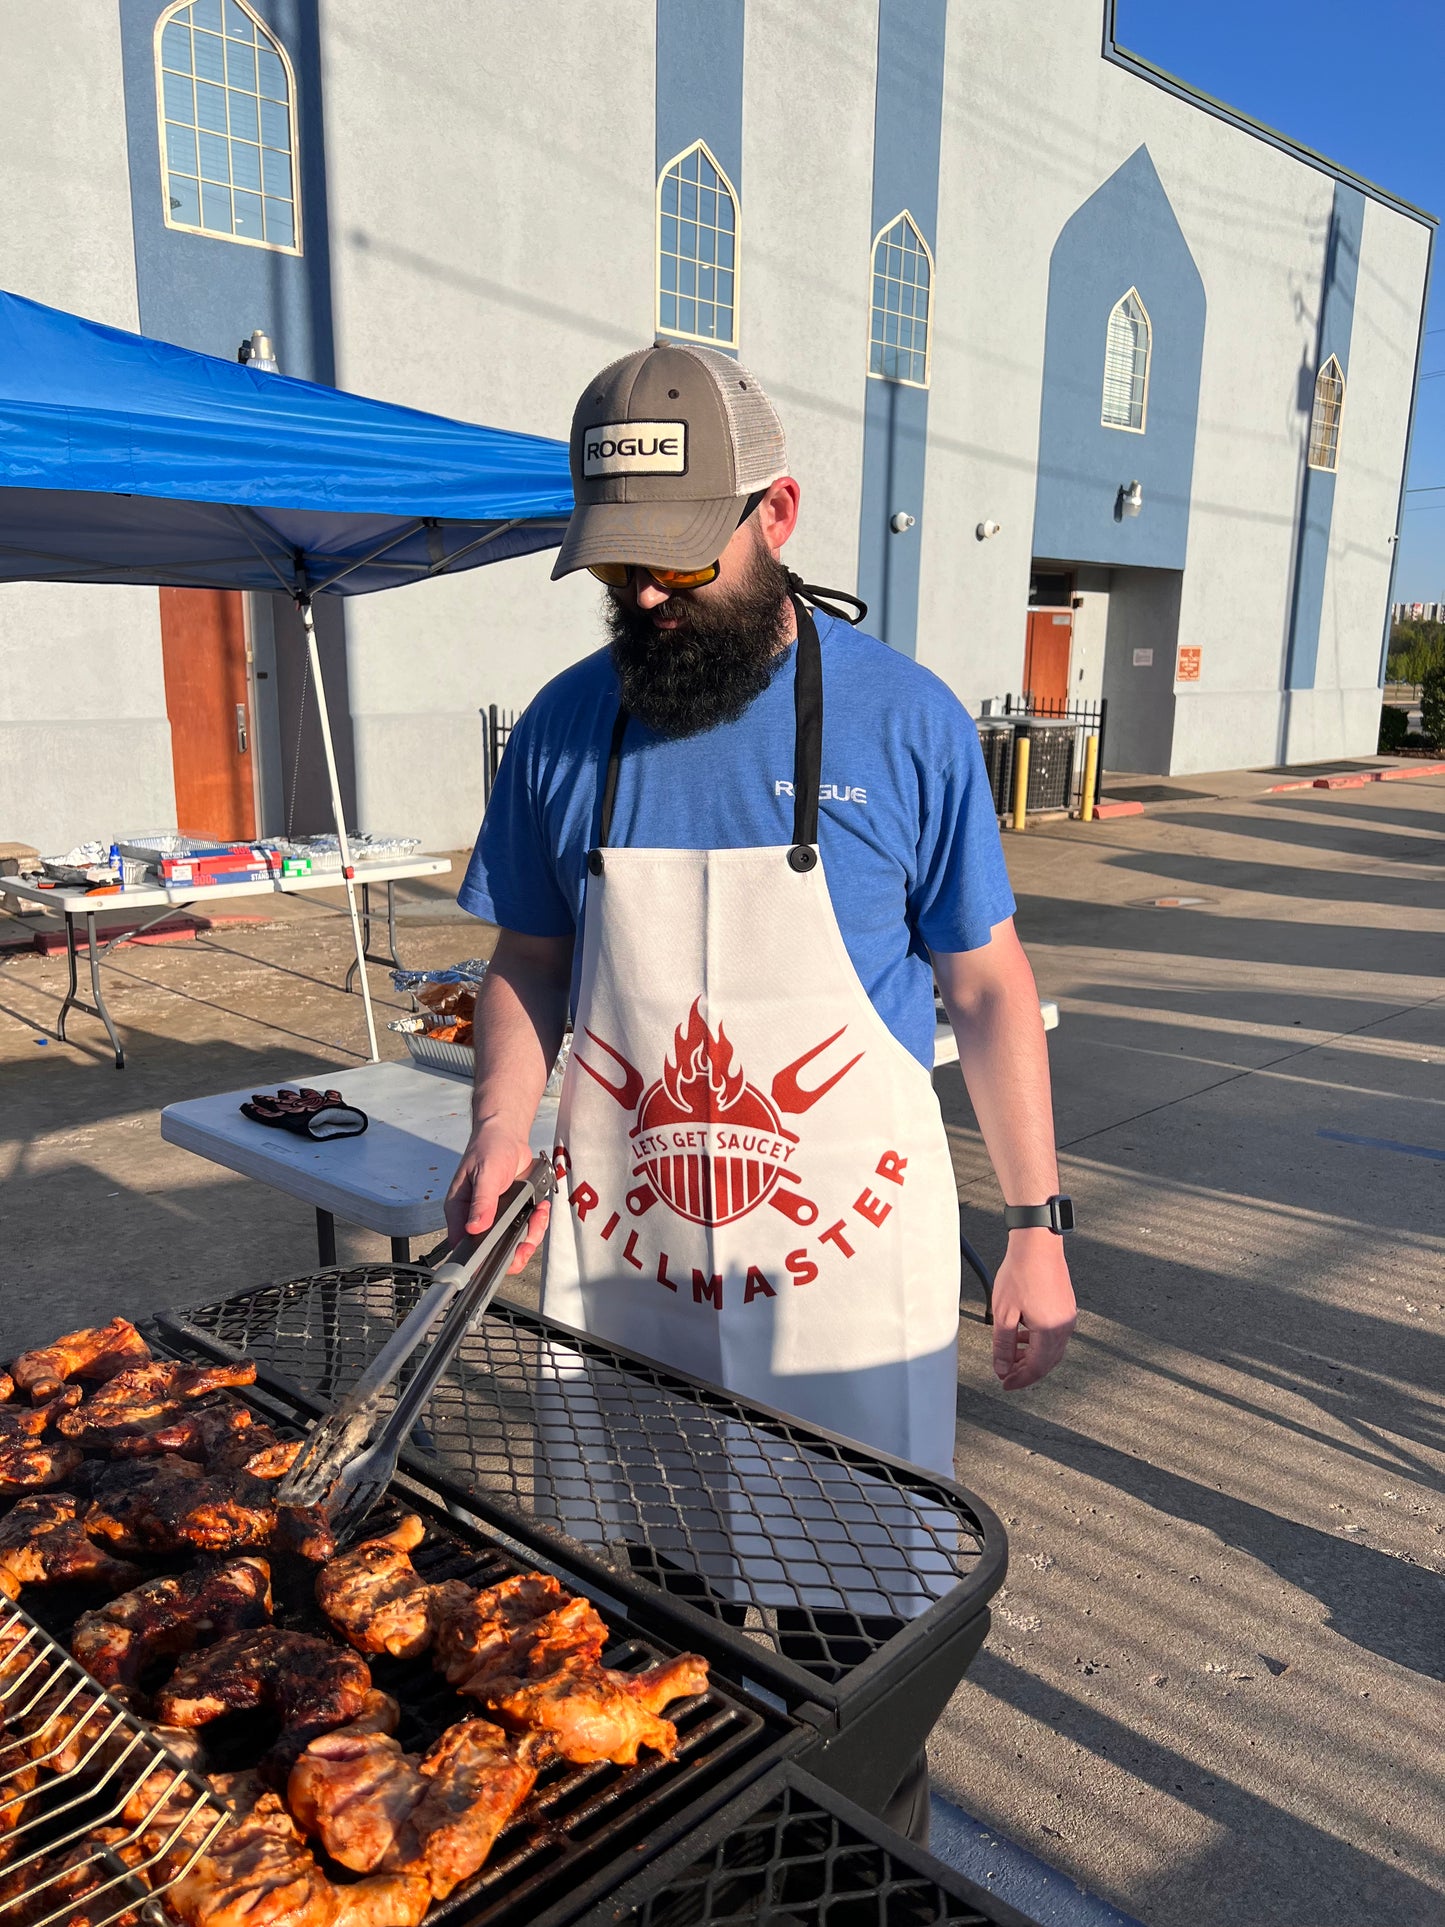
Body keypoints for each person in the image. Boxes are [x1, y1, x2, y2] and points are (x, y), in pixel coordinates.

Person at [448, 341, 1076, 1837]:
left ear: (776, 511)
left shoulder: (900, 719)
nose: (649, 597)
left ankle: (856, 1855)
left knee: (863, 1652)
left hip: (841, 1277)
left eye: (679, 560)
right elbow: (530, 959)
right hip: (637, 1273)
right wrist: (492, 1129)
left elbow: (985, 988)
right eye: (620, 572)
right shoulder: (559, 726)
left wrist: (1039, 1225)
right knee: (648, 1638)